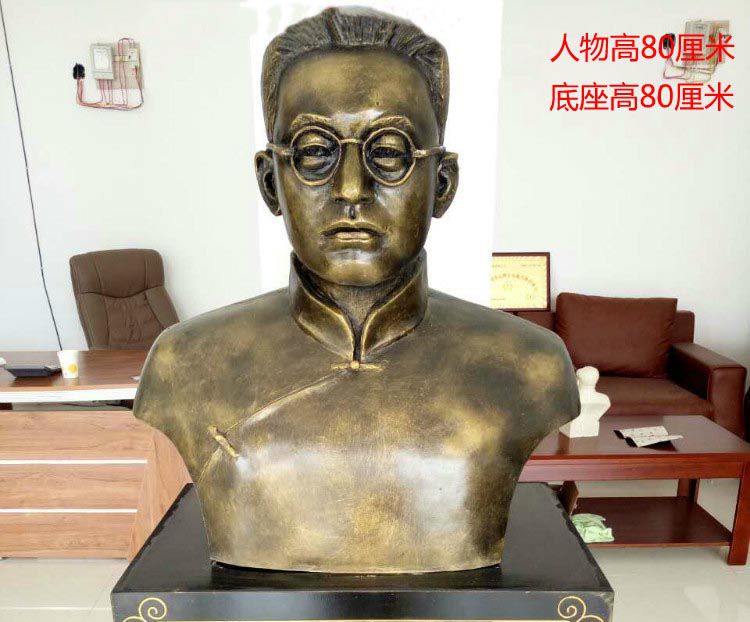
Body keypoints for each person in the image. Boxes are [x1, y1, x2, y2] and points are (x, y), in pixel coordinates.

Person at [134, 7, 579, 573]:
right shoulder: (184, 361)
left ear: (442, 184)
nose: (350, 189)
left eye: (389, 151)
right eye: (315, 152)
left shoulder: (531, 365)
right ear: (271, 182)